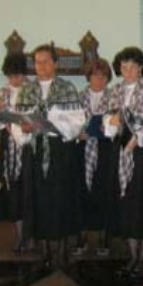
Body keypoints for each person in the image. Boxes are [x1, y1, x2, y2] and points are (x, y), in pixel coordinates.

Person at [13, 44, 86, 267]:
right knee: (38, 199)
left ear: (55, 63)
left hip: (60, 149)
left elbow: (77, 121)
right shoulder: (26, 90)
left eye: (45, 61)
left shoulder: (67, 88)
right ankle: (43, 250)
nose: (41, 66)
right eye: (37, 62)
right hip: (35, 149)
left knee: (61, 197)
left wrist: (52, 123)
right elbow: (17, 122)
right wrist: (24, 128)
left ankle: (63, 249)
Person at [103, 46, 143, 279]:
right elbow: (108, 120)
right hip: (119, 151)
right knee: (126, 206)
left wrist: (135, 139)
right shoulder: (114, 91)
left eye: (133, 66)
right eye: (124, 67)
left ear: (141, 68)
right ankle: (132, 256)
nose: (128, 71)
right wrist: (112, 122)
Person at [0, 52, 28, 252]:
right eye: (11, 76)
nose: (14, 80)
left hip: (27, 145)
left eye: (18, 75)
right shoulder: (2, 93)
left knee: (27, 188)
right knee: (12, 188)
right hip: (8, 144)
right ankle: (18, 234)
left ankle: (30, 234)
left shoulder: (32, 90)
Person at [74, 58, 114, 257]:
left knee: (104, 192)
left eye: (104, 76)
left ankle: (103, 238)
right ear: (88, 76)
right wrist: (77, 132)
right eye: (95, 75)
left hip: (105, 149)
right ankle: (81, 237)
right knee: (81, 192)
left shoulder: (114, 96)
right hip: (81, 148)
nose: (99, 79)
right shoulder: (78, 97)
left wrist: (100, 130)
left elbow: (116, 124)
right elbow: (69, 122)